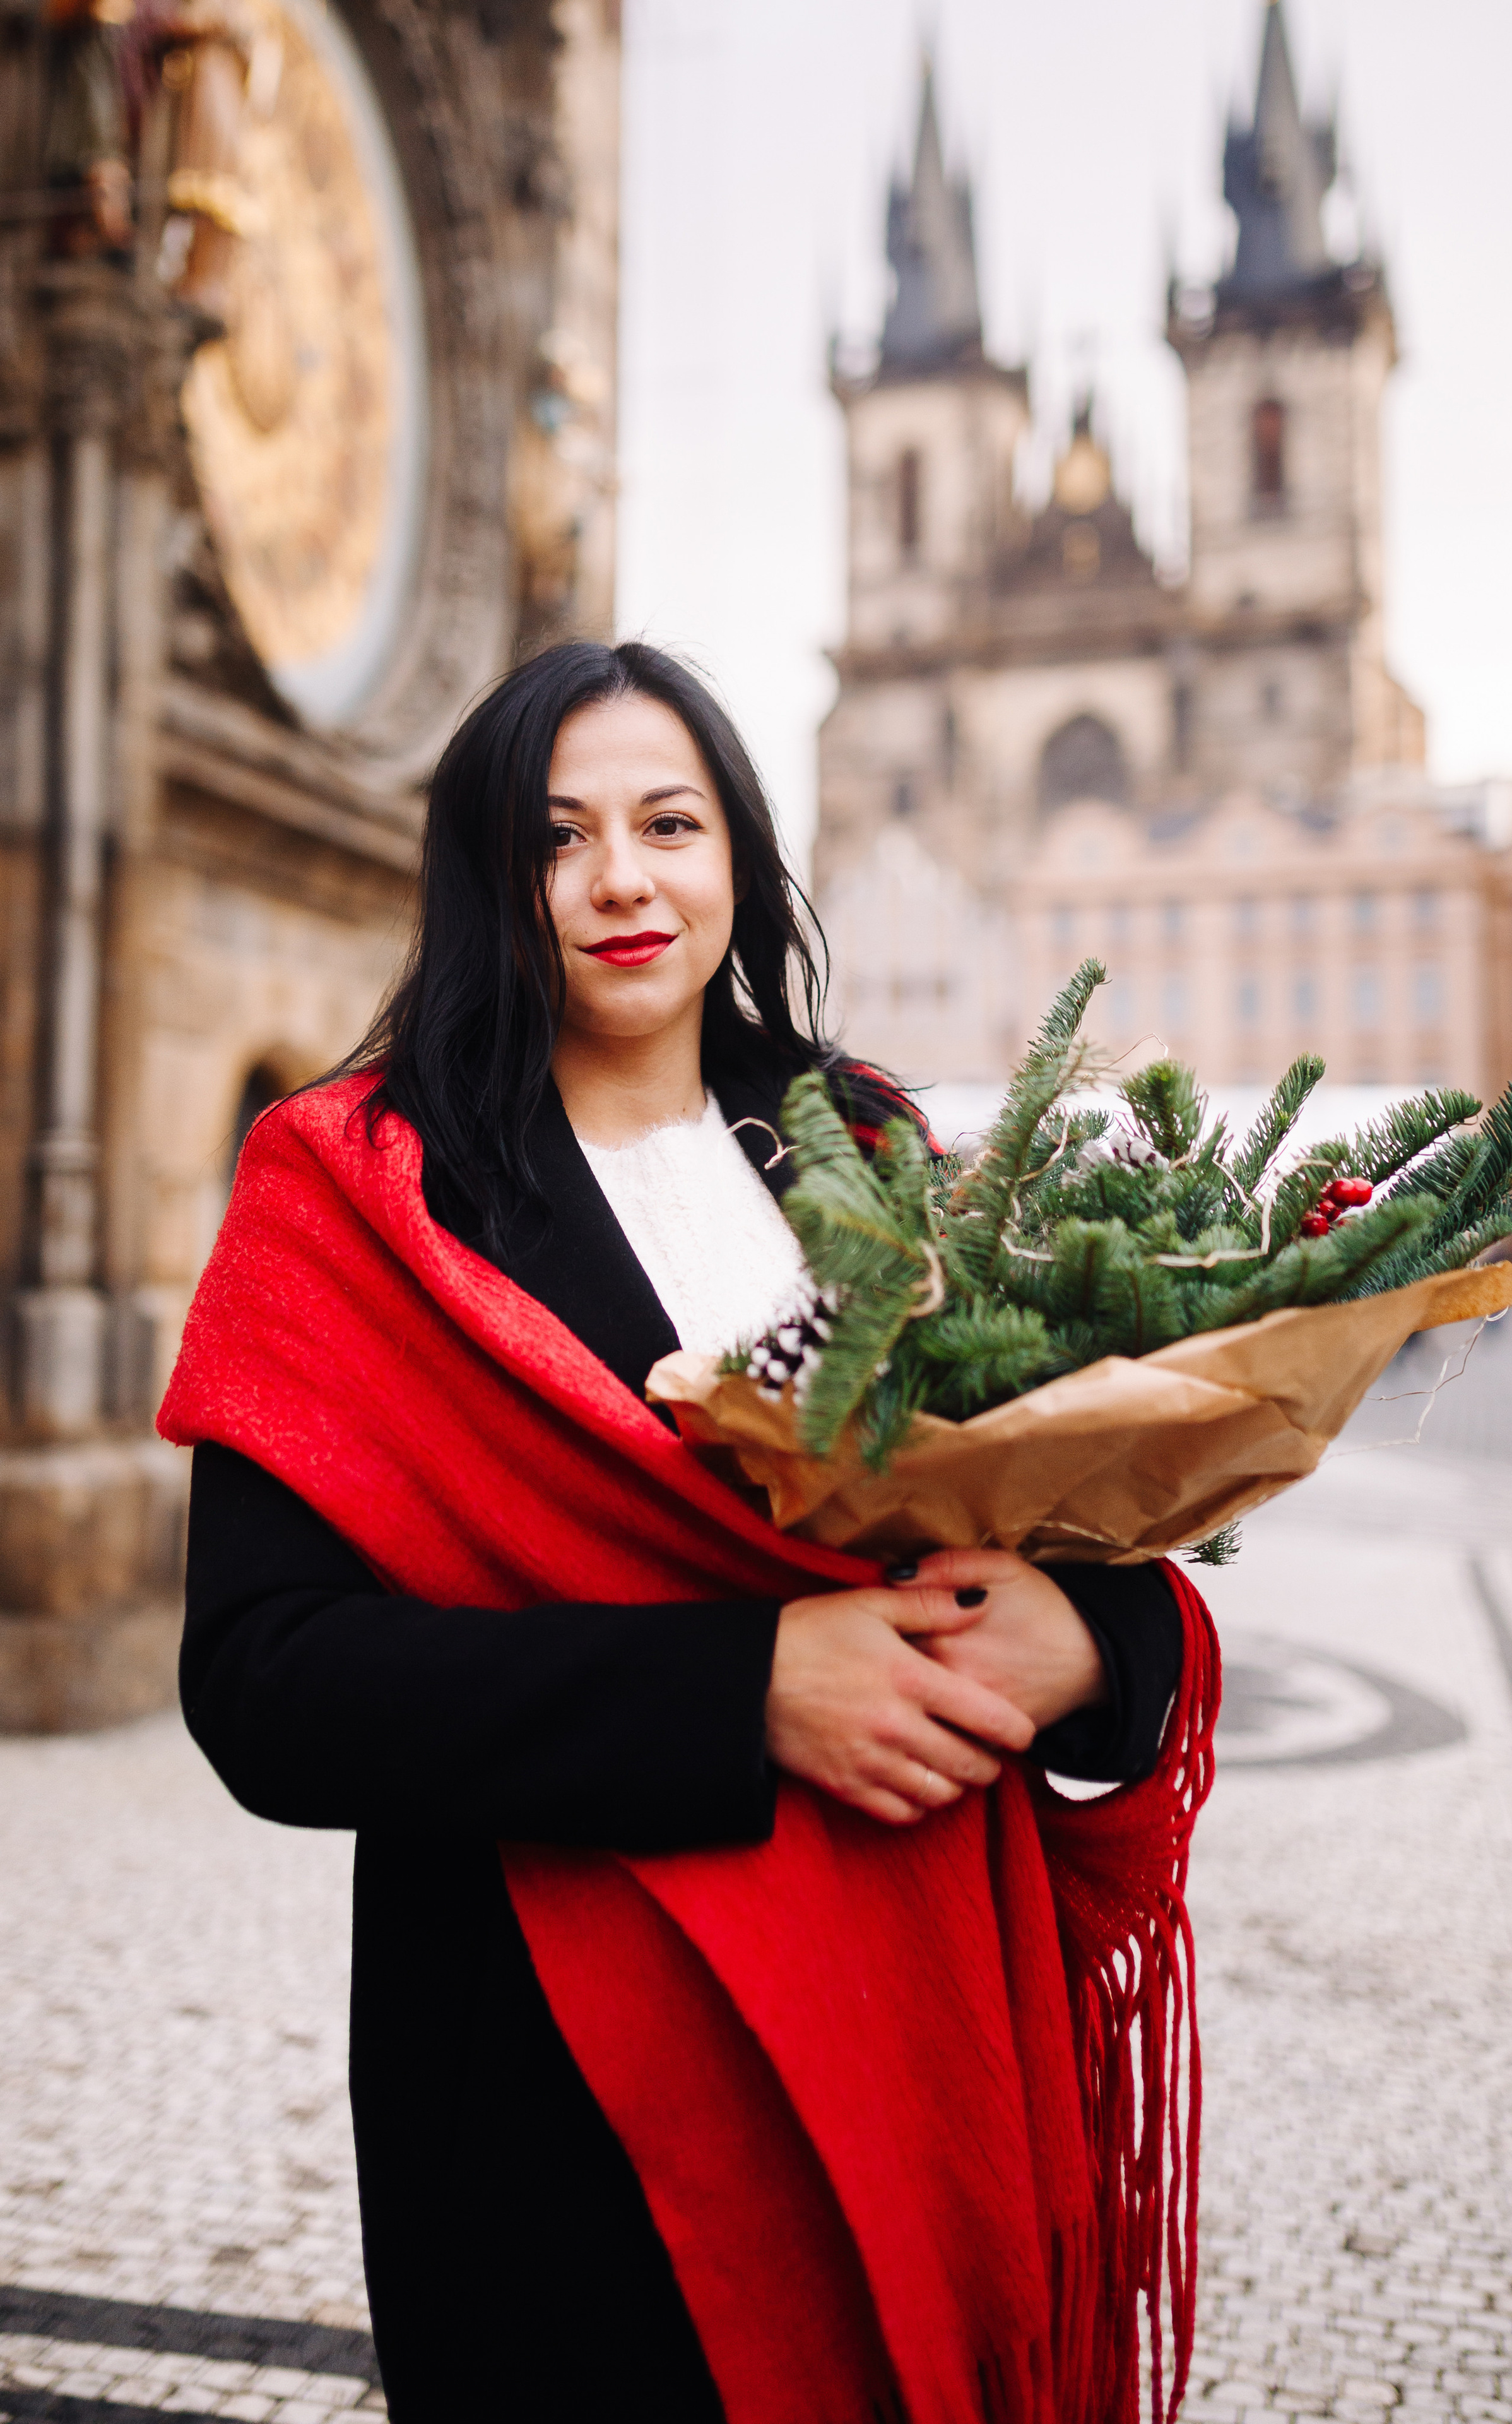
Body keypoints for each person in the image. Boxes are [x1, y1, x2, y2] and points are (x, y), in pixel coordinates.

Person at [166, 641, 1208, 2423]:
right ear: (484, 875)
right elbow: (264, 1686)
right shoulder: (353, 1185)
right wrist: (748, 1689)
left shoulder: (868, 1142)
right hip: (567, 2083)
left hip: (923, 2013)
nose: (622, 879)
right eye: (557, 837)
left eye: (670, 822)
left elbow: (1064, 1497)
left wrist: (1107, 1648)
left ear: (741, 854)